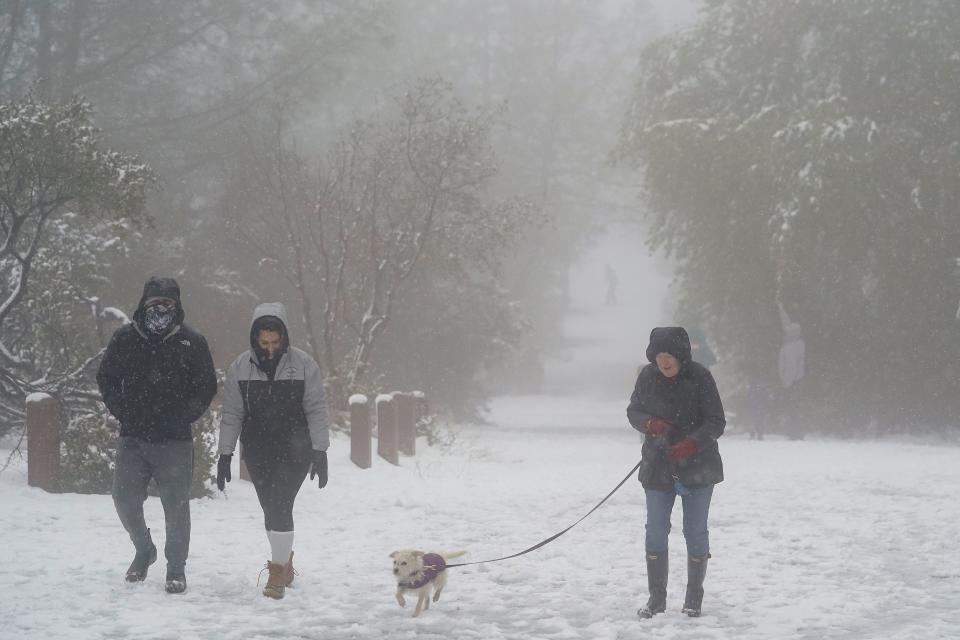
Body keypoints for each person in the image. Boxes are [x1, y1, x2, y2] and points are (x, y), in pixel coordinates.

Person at [97, 276, 217, 594]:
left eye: (167, 304)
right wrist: (122, 411)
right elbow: (106, 378)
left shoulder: (192, 341)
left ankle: (175, 567)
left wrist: (183, 415)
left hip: (175, 440)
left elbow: (206, 386)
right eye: (154, 304)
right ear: (143, 304)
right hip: (133, 437)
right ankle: (144, 549)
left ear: (176, 306)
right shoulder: (125, 338)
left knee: (176, 507)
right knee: (123, 499)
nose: (160, 310)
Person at [217, 302, 330, 599]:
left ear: (284, 337)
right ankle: (285, 563)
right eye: (263, 342)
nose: (269, 348)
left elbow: (316, 408)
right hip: (257, 449)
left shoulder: (304, 365)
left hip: (296, 447)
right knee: (271, 508)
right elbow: (232, 413)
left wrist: (320, 450)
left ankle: (278, 572)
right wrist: (225, 454)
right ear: (255, 338)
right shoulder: (240, 367)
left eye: (275, 342)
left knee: (280, 504)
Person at [627, 327, 725, 619]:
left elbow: (716, 421)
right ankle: (656, 599)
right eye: (658, 354)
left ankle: (694, 597)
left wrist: (692, 443)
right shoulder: (647, 377)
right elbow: (634, 412)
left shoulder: (701, 377)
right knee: (655, 529)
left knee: (695, 530)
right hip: (657, 466)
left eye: (669, 354)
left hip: (698, 467)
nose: (663, 360)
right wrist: (651, 425)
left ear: (681, 355)